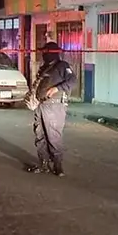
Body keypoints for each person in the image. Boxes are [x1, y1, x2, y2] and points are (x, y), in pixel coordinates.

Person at [26, 42, 77, 176]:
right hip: (40, 105)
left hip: (55, 106)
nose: (43, 54)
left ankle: (58, 166)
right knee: (40, 134)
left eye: (45, 52)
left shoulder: (62, 66)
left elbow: (72, 81)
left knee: (53, 136)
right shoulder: (44, 68)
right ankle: (43, 164)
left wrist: (57, 89)